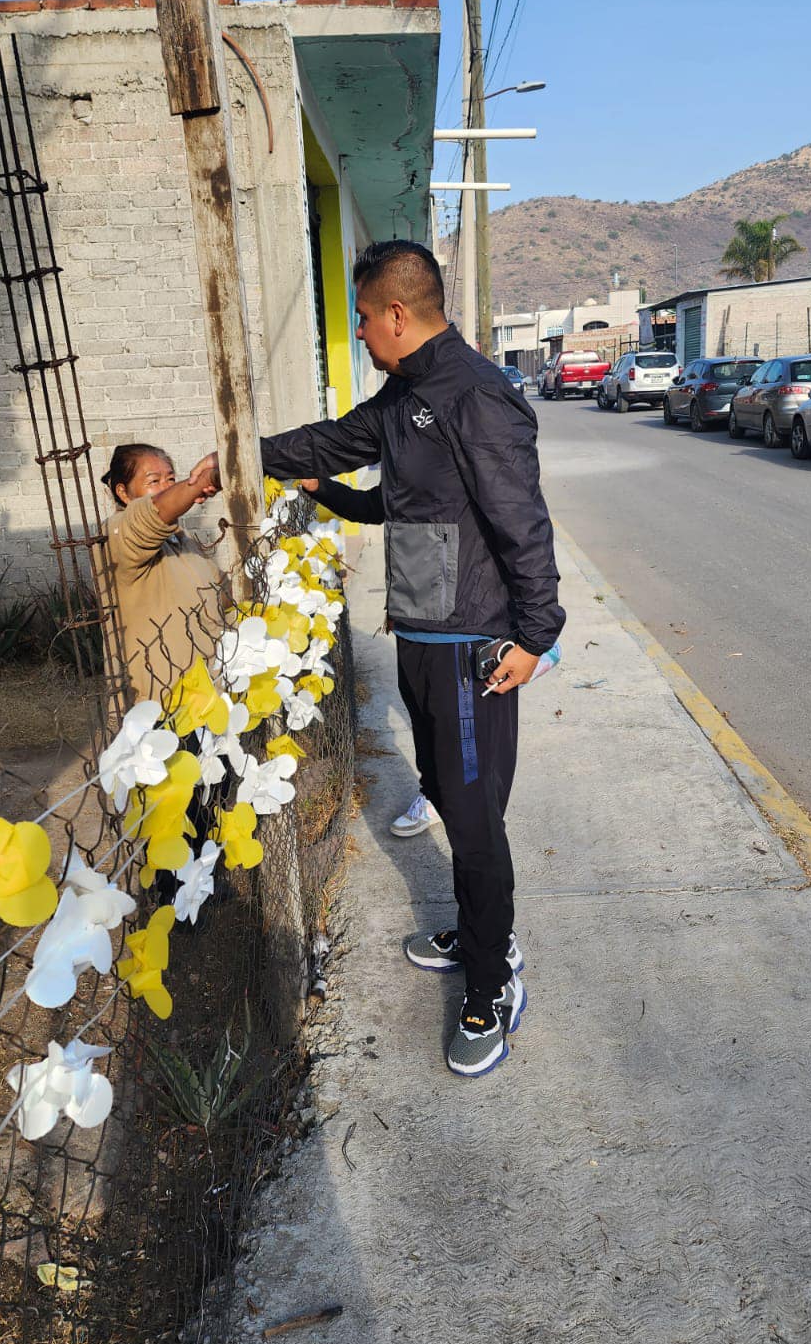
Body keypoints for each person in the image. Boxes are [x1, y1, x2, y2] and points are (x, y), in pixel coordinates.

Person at [194, 240, 565, 1078]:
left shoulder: (475, 396)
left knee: (473, 827)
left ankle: (492, 974)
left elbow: (521, 520)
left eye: (363, 316)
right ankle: (476, 930)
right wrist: (243, 462)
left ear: (398, 314)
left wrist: (537, 637)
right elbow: (339, 450)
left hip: (476, 645)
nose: (359, 331)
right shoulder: (405, 397)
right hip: (422, 636)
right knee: (441, 791)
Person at [300, 473, 442, 842]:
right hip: (414, 620)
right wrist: (322, 487)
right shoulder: (411, 462)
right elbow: (369, 506)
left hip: (468, 626)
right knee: (424, 718)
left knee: (459, 726)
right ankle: (436, 794)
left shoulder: (477, 462)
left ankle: (463, 805)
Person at [95, 443, 222, 706]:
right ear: (123, 492)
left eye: (171, 479)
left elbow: (222, 593)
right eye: (154, 481)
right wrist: (205, 480)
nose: (166, 487)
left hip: (205, 699)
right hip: (157, 705)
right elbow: (151, 514)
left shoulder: (180, 540)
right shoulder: (117, 535)